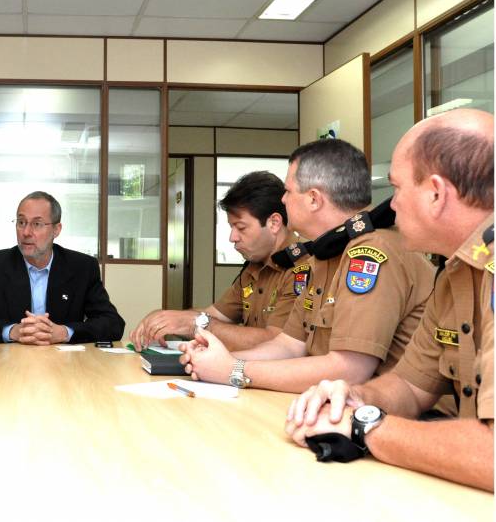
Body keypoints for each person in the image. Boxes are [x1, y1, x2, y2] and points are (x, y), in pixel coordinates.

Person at [285, 109, 493, 491]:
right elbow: (411, 387)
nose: (390, 206)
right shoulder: (457, 274)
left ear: (435, 193)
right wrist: (350, 397)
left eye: (397, 188)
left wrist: (366, 426)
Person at [180, 139, 435, 393]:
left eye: (288, 191)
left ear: (313, 199)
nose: (283, 198)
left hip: (392, 418)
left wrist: (233, 371)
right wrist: (218, 360)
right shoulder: (324, 255)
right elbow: (289, 346)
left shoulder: (370, 253)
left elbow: (350, 370)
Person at [130, 171, 309, 351]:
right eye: (232, 227)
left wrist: (195, 323)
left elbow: (279, 345)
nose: (233, 237)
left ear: (274, 223)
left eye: (241, 227)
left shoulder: (302, 268)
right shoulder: (254, 266)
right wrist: (165, 318)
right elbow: (215, 315)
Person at [0, 191, 124, 344]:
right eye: (21, 222)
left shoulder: (82, 267)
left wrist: (64, 333)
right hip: (7, 364)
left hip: (65, 366)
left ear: (57, 230)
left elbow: (113, 324)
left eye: (37, 224)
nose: (26, 232)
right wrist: (11, 331)